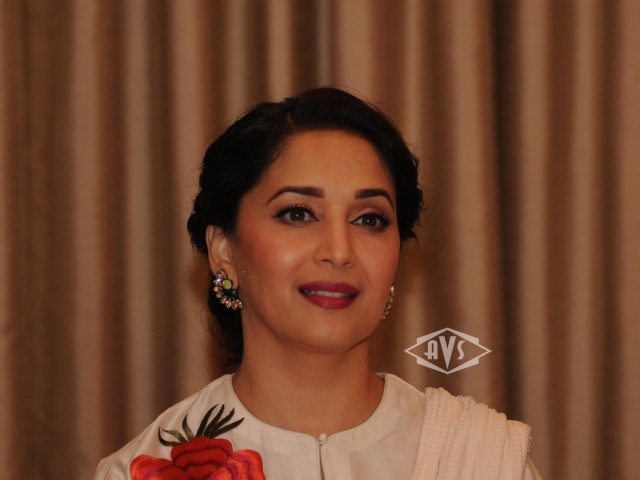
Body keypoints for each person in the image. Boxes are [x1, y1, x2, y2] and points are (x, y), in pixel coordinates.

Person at [94, 87, 541, 479]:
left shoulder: (485, 459)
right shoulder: (143, 469)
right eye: (298, 213)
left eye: (369, 219)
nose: (339, 251)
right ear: (224, 249)